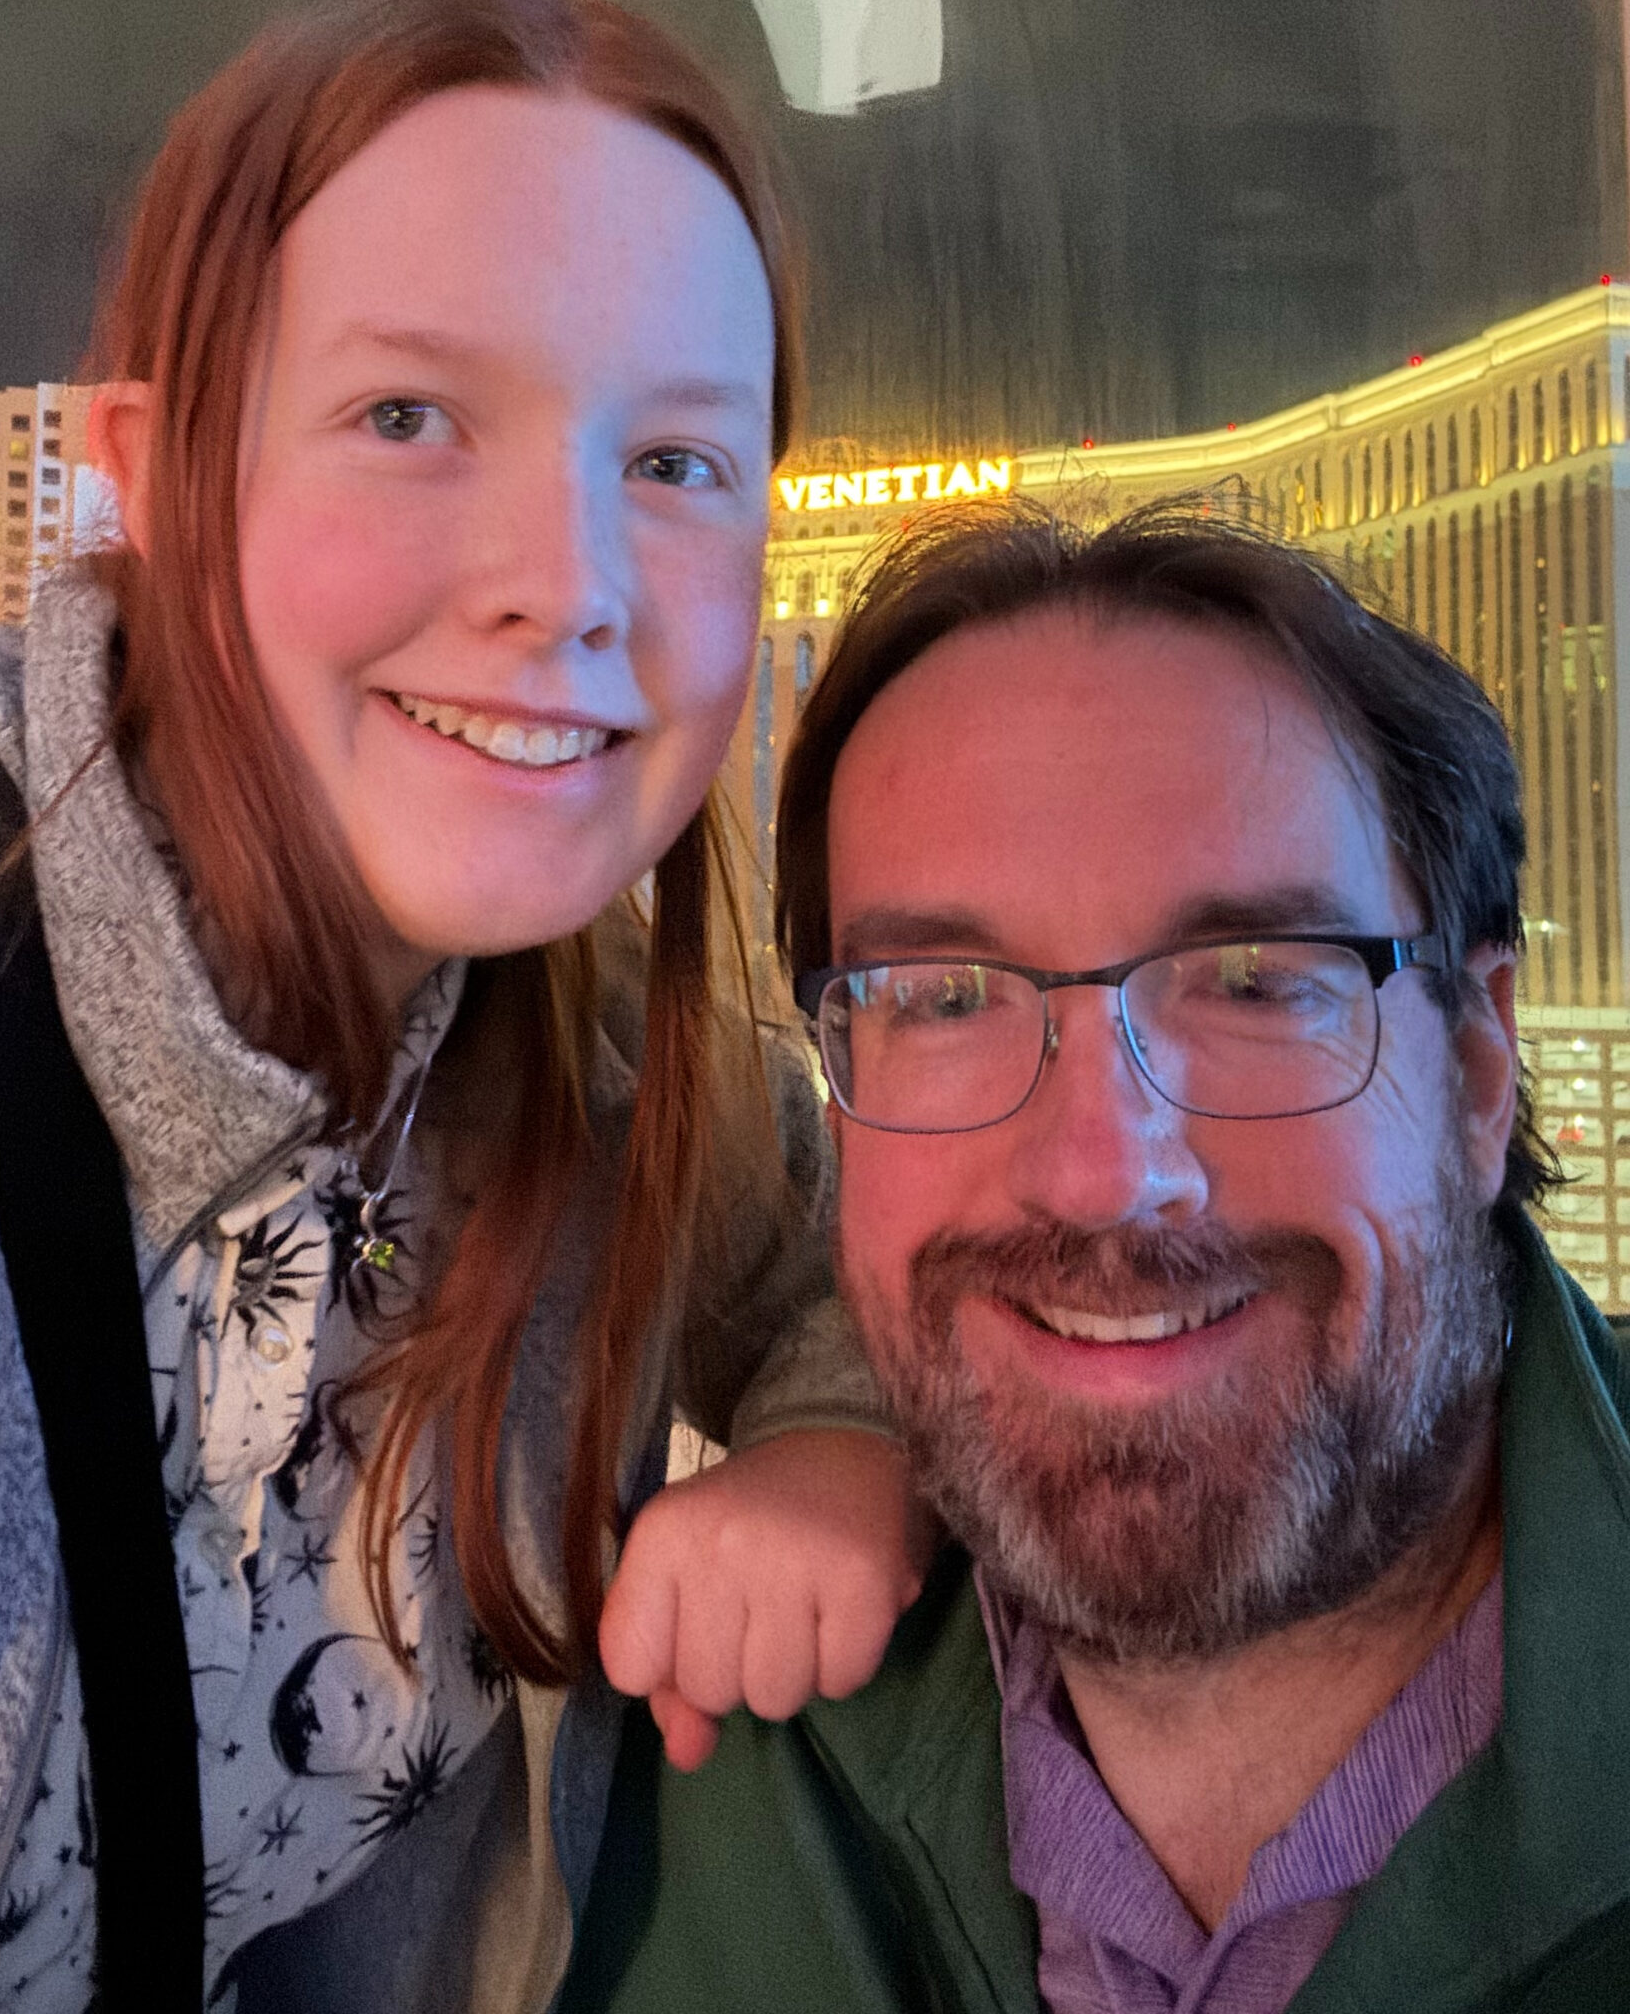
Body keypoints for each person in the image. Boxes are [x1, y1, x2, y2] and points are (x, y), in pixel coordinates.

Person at [0, 0, 929, 2014]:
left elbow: (900, 1272)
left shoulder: (601, 1059)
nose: (569, 578)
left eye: (682, 461)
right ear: (158, 469)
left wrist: (834, 1458)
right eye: (406, 416)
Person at [565, 502, 1630, 2014]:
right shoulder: (677, 1779)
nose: (1102, 1170)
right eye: (941, 999)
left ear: (1475, 1067)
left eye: (1257, 983)